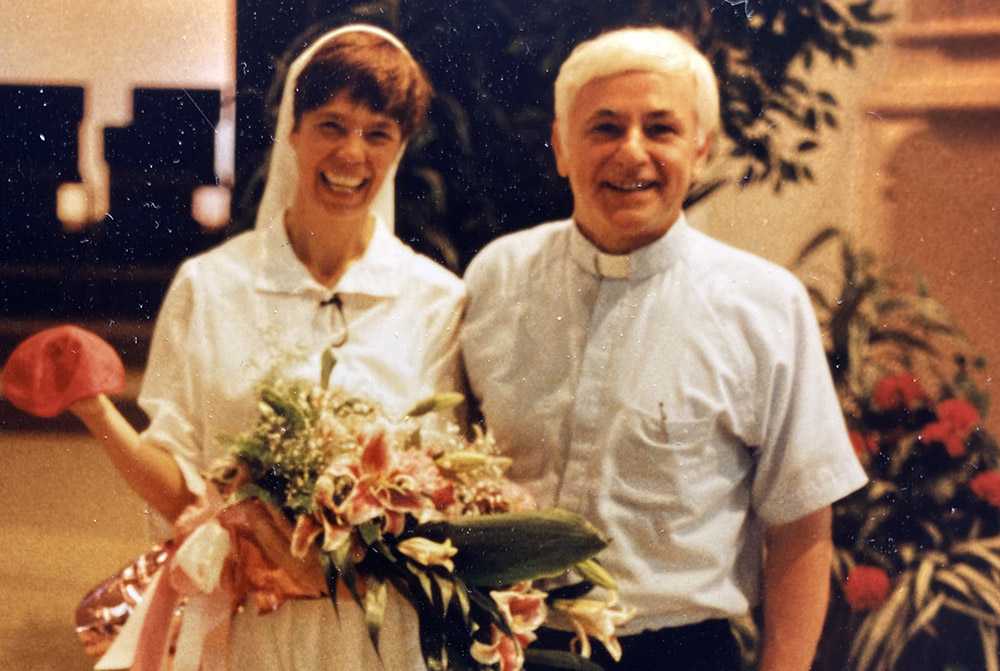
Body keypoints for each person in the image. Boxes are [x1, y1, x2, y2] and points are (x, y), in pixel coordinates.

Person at [460, 27, 867, 671]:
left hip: (677, 650)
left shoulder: (764, 306)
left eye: (661, 128)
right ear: (563, 147)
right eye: (604, 128)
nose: (633, 153)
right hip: (501, 644)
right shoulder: (494, 278)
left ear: (700, 148)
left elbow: (801, 531)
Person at [66, 24, 464, 671]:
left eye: (378, 133)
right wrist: (97, 414)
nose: (351, 153)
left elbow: (439, 491)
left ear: (400, 148)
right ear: (292, 130)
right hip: (245, 619)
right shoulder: (210, 286)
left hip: (375, 633)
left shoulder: (436, 299)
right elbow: (178, 479)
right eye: (331, 125)